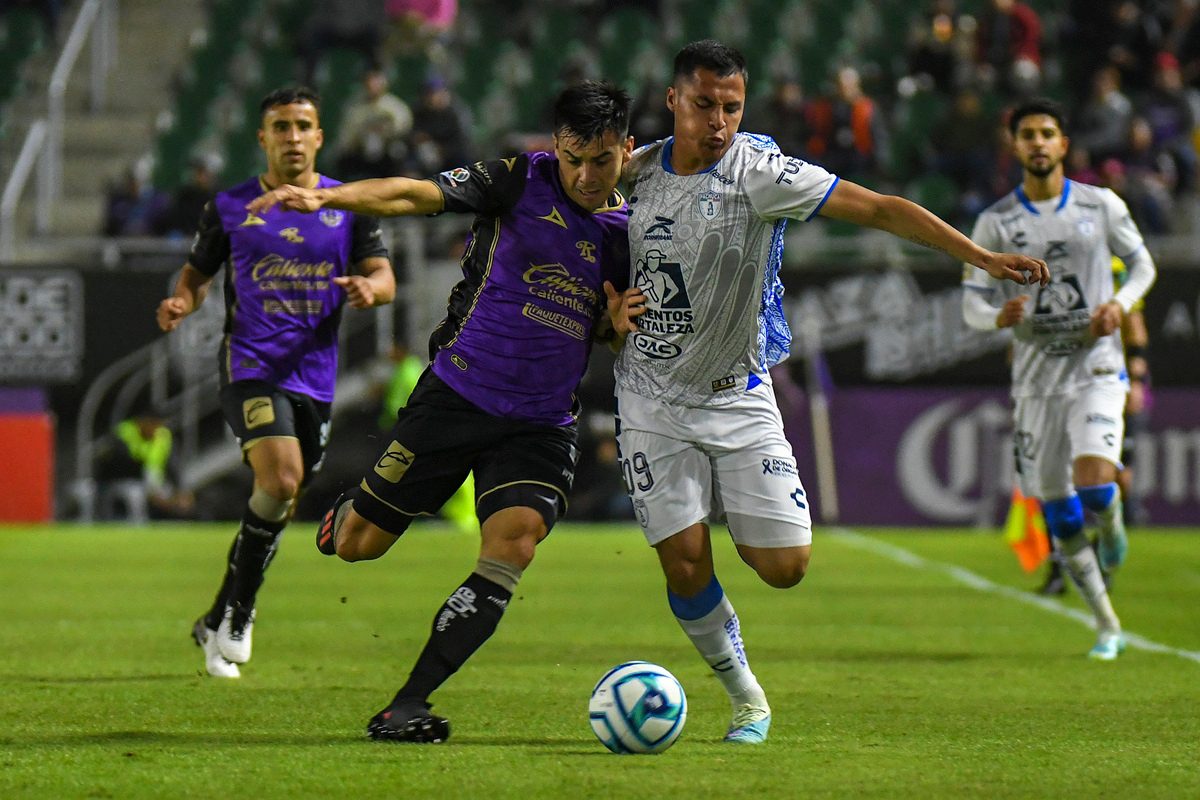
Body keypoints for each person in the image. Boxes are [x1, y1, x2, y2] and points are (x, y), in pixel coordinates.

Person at [604, 40, 1047, 745]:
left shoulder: (762, 172)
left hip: (739, 391)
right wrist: (606, 317)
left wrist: (981, 257)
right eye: (704, 106)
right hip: (651, 395)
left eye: (732, 107)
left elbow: (880, 210)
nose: (718, 121)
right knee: (685, 559)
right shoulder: (629, 177)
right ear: (672, 100)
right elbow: (574, 255)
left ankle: (744, 572)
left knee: (785, 567)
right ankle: (747, 698)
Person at [247, 80, 633, 742]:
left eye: (601, 161)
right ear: (554, 148)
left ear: (626, 150)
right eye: (573, 159)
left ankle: (408, 703)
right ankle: (345, 513)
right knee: (358, 546)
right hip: (456, 397)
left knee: (515, 544)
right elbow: (413, 193)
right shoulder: (518, 179)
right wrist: (326, 196)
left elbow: (601, 327)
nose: (586, 176)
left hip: (541, 423)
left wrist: (618, 325)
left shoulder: (630, 230)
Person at [156, 86, 395, 679]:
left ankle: (216, 615)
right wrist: (181, 300)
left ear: (319, 136)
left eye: (303, 126)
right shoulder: (231, 207)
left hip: (314, 378)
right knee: (282, 477)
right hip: (251, 365)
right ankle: (240, 611)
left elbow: (383, 274)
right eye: (280, 126)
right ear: (262, 138)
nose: (292, 137)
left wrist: (372, 290)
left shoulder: (347, 205)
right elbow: (198, 274)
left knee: (281, 499)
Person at [961, 98, 1155, 658]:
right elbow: (971, 303)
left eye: (1048, 133)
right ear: (1014, 145)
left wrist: (1120, 303)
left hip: (1095, 367)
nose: (1039, 143)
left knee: (1095, 485)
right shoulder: (996, 221)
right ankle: (1107, 625)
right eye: (1028, 134)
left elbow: (1143, 265)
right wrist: (997, 316)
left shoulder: (1102, 205)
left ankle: (1113, 525)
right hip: (1035, 381)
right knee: (1060, 510)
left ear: (1064, 144)